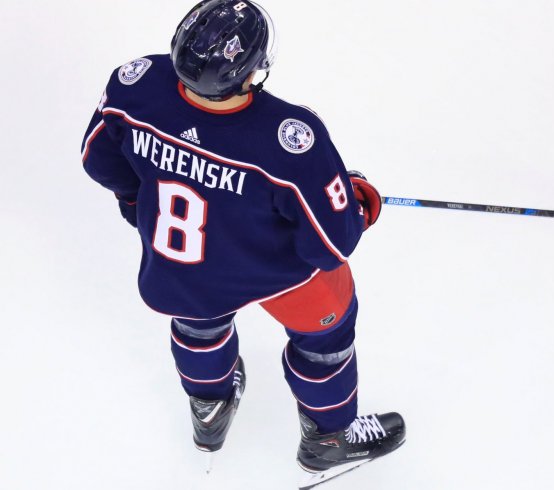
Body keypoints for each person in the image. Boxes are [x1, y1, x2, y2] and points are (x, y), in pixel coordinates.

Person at [80, 1, 405, 486]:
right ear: (252, 72)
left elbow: (98, 158)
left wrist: (138, 203)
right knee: (326, 344)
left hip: (181, 266)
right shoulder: (292, 138)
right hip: (282, 276)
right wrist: (359, 201)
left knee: (198, 327)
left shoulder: (135, 84)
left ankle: (209, 410)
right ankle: (329, 438)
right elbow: (330, 245)